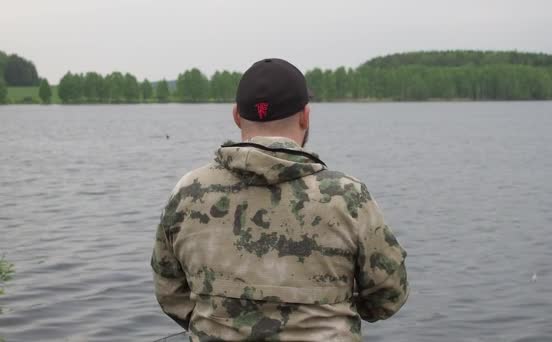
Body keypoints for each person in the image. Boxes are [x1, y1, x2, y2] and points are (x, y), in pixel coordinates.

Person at [152, 58, 409, 341]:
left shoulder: (188, 192)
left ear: (237, 116)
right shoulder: (347, 197)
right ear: (305, 117)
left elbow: (170, 292)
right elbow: (388, 297)